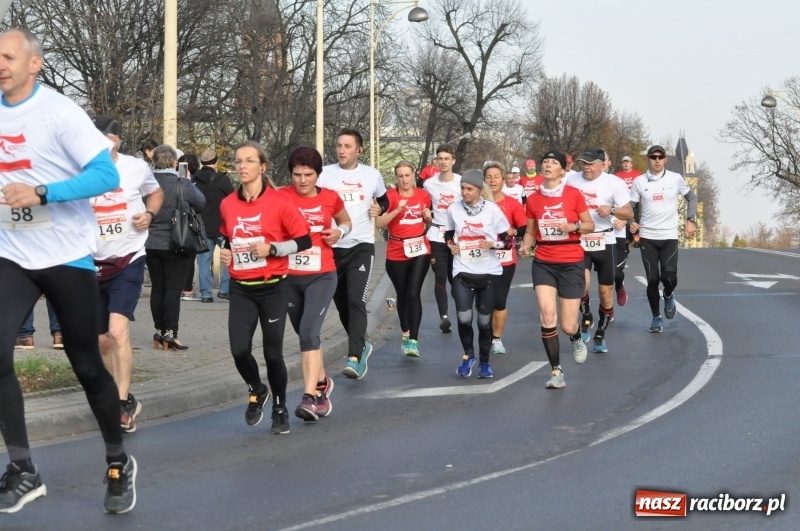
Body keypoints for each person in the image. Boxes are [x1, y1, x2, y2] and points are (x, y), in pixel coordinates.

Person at [0, 28, 136, 513]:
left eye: (9, 56)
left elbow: (106, 175)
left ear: (34, 63)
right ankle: (22, 469)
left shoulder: (59, 112)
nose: (1, 63)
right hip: (12, 253)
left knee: (85, 364)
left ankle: (118, 461)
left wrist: (42, 193)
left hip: (65, 256)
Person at [219, 141, 311, 434]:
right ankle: (257, 388)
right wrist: (227, 252)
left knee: (273, 354)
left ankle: (280, 407)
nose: (242, 166)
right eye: (238, 161)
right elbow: (227, 237)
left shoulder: (280, 202)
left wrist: (272, 249)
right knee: (239, 350)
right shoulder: (227, 203)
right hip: (241, 287)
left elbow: (304, 241)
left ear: (262, 167)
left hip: (273, 287)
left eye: (248, 161)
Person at [90, 114, 163, 434]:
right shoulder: (78, 170)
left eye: (107, 137)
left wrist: (149, 213)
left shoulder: (135, 167)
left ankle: (120, 405)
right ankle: (118, 394)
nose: (100, 142)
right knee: (101, 342)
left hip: (129, 258)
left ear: (117, 140)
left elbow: (156, 193)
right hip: (90, 263)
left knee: (117, 331)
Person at [281, 146, 350, 422]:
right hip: (289, 276)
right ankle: (322, 382)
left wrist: (339, 231)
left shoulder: (330, 198)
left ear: (317, 175)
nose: (302, 180)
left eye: (308, 174)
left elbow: (345, 220)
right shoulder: (280, 196)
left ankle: (309, 398)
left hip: (321, 274)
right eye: (297, 174)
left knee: (309, 333)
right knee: (304, 334)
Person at [317, 128, 388, 380]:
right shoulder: (325, 174)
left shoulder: (371, 175)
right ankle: (363, 343)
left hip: (360, 246)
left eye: (347, 146)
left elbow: (384, 201)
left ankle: (355, 356)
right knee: (342, 305)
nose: (341, 150)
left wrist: (379, 208)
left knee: (355, 299)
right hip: (331, 248)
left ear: (359, 150)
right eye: (339, 145)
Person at [520, 150, 594, 388]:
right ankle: (556, 371)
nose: (548, 165)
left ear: (563, 170)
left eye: (554, 162)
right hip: (544, 261)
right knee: (548, 315)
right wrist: (525, 246)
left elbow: (589, 224)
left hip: (571, 261)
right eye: (545, 162)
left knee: (567, 324)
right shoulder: (533, 199)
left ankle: (575, 337)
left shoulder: (573, 195)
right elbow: (530, 231)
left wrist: (573, 225)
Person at [445, 169, 511, 379]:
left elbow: (508, 241)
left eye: (469, 189)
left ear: (479, 190)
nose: (464, 192)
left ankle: (484, 361)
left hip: (489, 272)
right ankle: (468, 355)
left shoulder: (492, 210)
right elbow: (448, 234)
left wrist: (493, 243)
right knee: (464, 318)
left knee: (484, 322)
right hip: (462, 269)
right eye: (462, 188)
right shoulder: (453, 209)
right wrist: (451, 245)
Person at [567, 148, 633, 354]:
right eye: (583, 163)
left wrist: (611, 210)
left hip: (606, 238)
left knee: (605, 291)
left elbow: (629, 211)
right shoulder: (571, 181)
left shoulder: (614, 183)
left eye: (590, 164)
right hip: (581, 238)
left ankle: (600, 334)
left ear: (601, 164)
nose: (586, 167)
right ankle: (586, 316)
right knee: (582, 284)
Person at [629, 145, 697, 333]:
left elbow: (692, 197)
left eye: (660, 157)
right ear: (648, 160)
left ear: (665, 159)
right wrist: (631, 222)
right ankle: (656, 318)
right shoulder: (639, 181)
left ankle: (668, 294)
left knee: (669, 277)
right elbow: (630, 206)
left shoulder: (675, 179)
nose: (657, 160)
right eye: (653, 157)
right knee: (652, 279)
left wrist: (690, 220)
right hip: (648, 237)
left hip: (669, 236)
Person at [144, 145, 206, 350]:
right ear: (174, 163)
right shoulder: (182, 183)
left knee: (157, 288)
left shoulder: (146, 183)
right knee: (172, 289)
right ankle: (171, 333)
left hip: (151, 243)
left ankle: (159, 331)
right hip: (178, 241)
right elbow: (201, 202)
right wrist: (188, 181)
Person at [376, 161, 432, 357]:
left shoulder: (423, 195)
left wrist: (427, 218)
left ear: (413, 174)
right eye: (400, 176)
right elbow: (379, 224)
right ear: (396, 177)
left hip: (419, 248)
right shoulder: (390, 197)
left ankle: (414, 341)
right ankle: (405, 331)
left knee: (413, 292)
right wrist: (396, 210)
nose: (404, 179)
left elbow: (427, 222)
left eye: (407, 175)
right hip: (396, 250)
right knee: (403, 294)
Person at [483, 163, 526, 355]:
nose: (492, 180)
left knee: (499, 301)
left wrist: (514, 232)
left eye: (496, 177)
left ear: (503, 180)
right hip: (481, 258)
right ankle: (485, 335)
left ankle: (496, 338)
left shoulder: (512, 204)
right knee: (484, 303)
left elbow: (524, 227)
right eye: (489, 177)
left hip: (505, 258)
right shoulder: (477, 203)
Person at [423, 143, 462, 333]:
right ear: (436, 161)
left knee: (457, 279)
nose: (443, 162)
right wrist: (426, 214)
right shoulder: (429, 184)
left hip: (456, 237)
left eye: (447, 159)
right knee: (440, 276)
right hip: (437, 235)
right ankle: (444, 317)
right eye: (440, 159)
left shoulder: (461, 183)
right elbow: (424, 204)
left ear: (453, 161)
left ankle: (463, 313)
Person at [194, 148, 234, 302]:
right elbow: (232, 201)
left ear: (201, 163)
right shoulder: (222, 180)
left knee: (204, 261)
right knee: (230, 258)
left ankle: (206, 294)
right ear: (216, 162)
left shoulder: (194, 180)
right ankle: (225, 289)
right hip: (221, 227)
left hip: (202, 227)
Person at [612, 155, 642, 306]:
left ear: (631, 163)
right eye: (623, 162)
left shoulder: (637, 175)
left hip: (632, 204)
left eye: (628, 162)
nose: (625, 164)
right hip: (619, 206)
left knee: (632, 222)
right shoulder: (617, 177)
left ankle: (630, 242)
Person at [178, 153, 202, 301]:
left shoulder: (194, 181)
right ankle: (186, 288)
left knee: (187, 257)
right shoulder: (178, 180)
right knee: (187, 258)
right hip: (187, 222)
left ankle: (185, 287)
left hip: (185, 221)